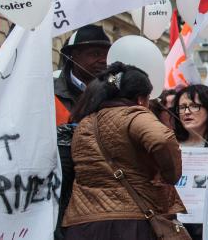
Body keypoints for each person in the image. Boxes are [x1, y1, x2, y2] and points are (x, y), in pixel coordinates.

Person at [63, 63, 185, 239]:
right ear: (141, 99)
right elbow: (162, 139)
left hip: (83, 223)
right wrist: (170, 175)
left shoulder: (84, 123)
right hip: (128, 223)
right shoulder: (133, 114)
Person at [54, 24, 112, 239]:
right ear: (73, 56)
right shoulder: (48, 89)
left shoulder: (114, 93)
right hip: (57, 192)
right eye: (95, 53)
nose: (103, 60)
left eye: (107, 54)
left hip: (97, 197)